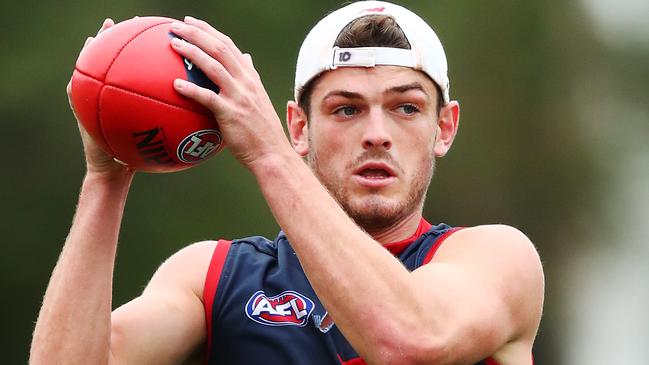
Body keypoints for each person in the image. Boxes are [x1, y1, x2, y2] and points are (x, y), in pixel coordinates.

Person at [30, 1, 544, 364]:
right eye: (345, 109)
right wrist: (107, 176)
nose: (376, 135)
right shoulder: (217, 277)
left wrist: (268, 153)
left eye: (406, 107)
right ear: (300, 126)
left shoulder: (496, 259)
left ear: (444, 127)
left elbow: (409, 341)